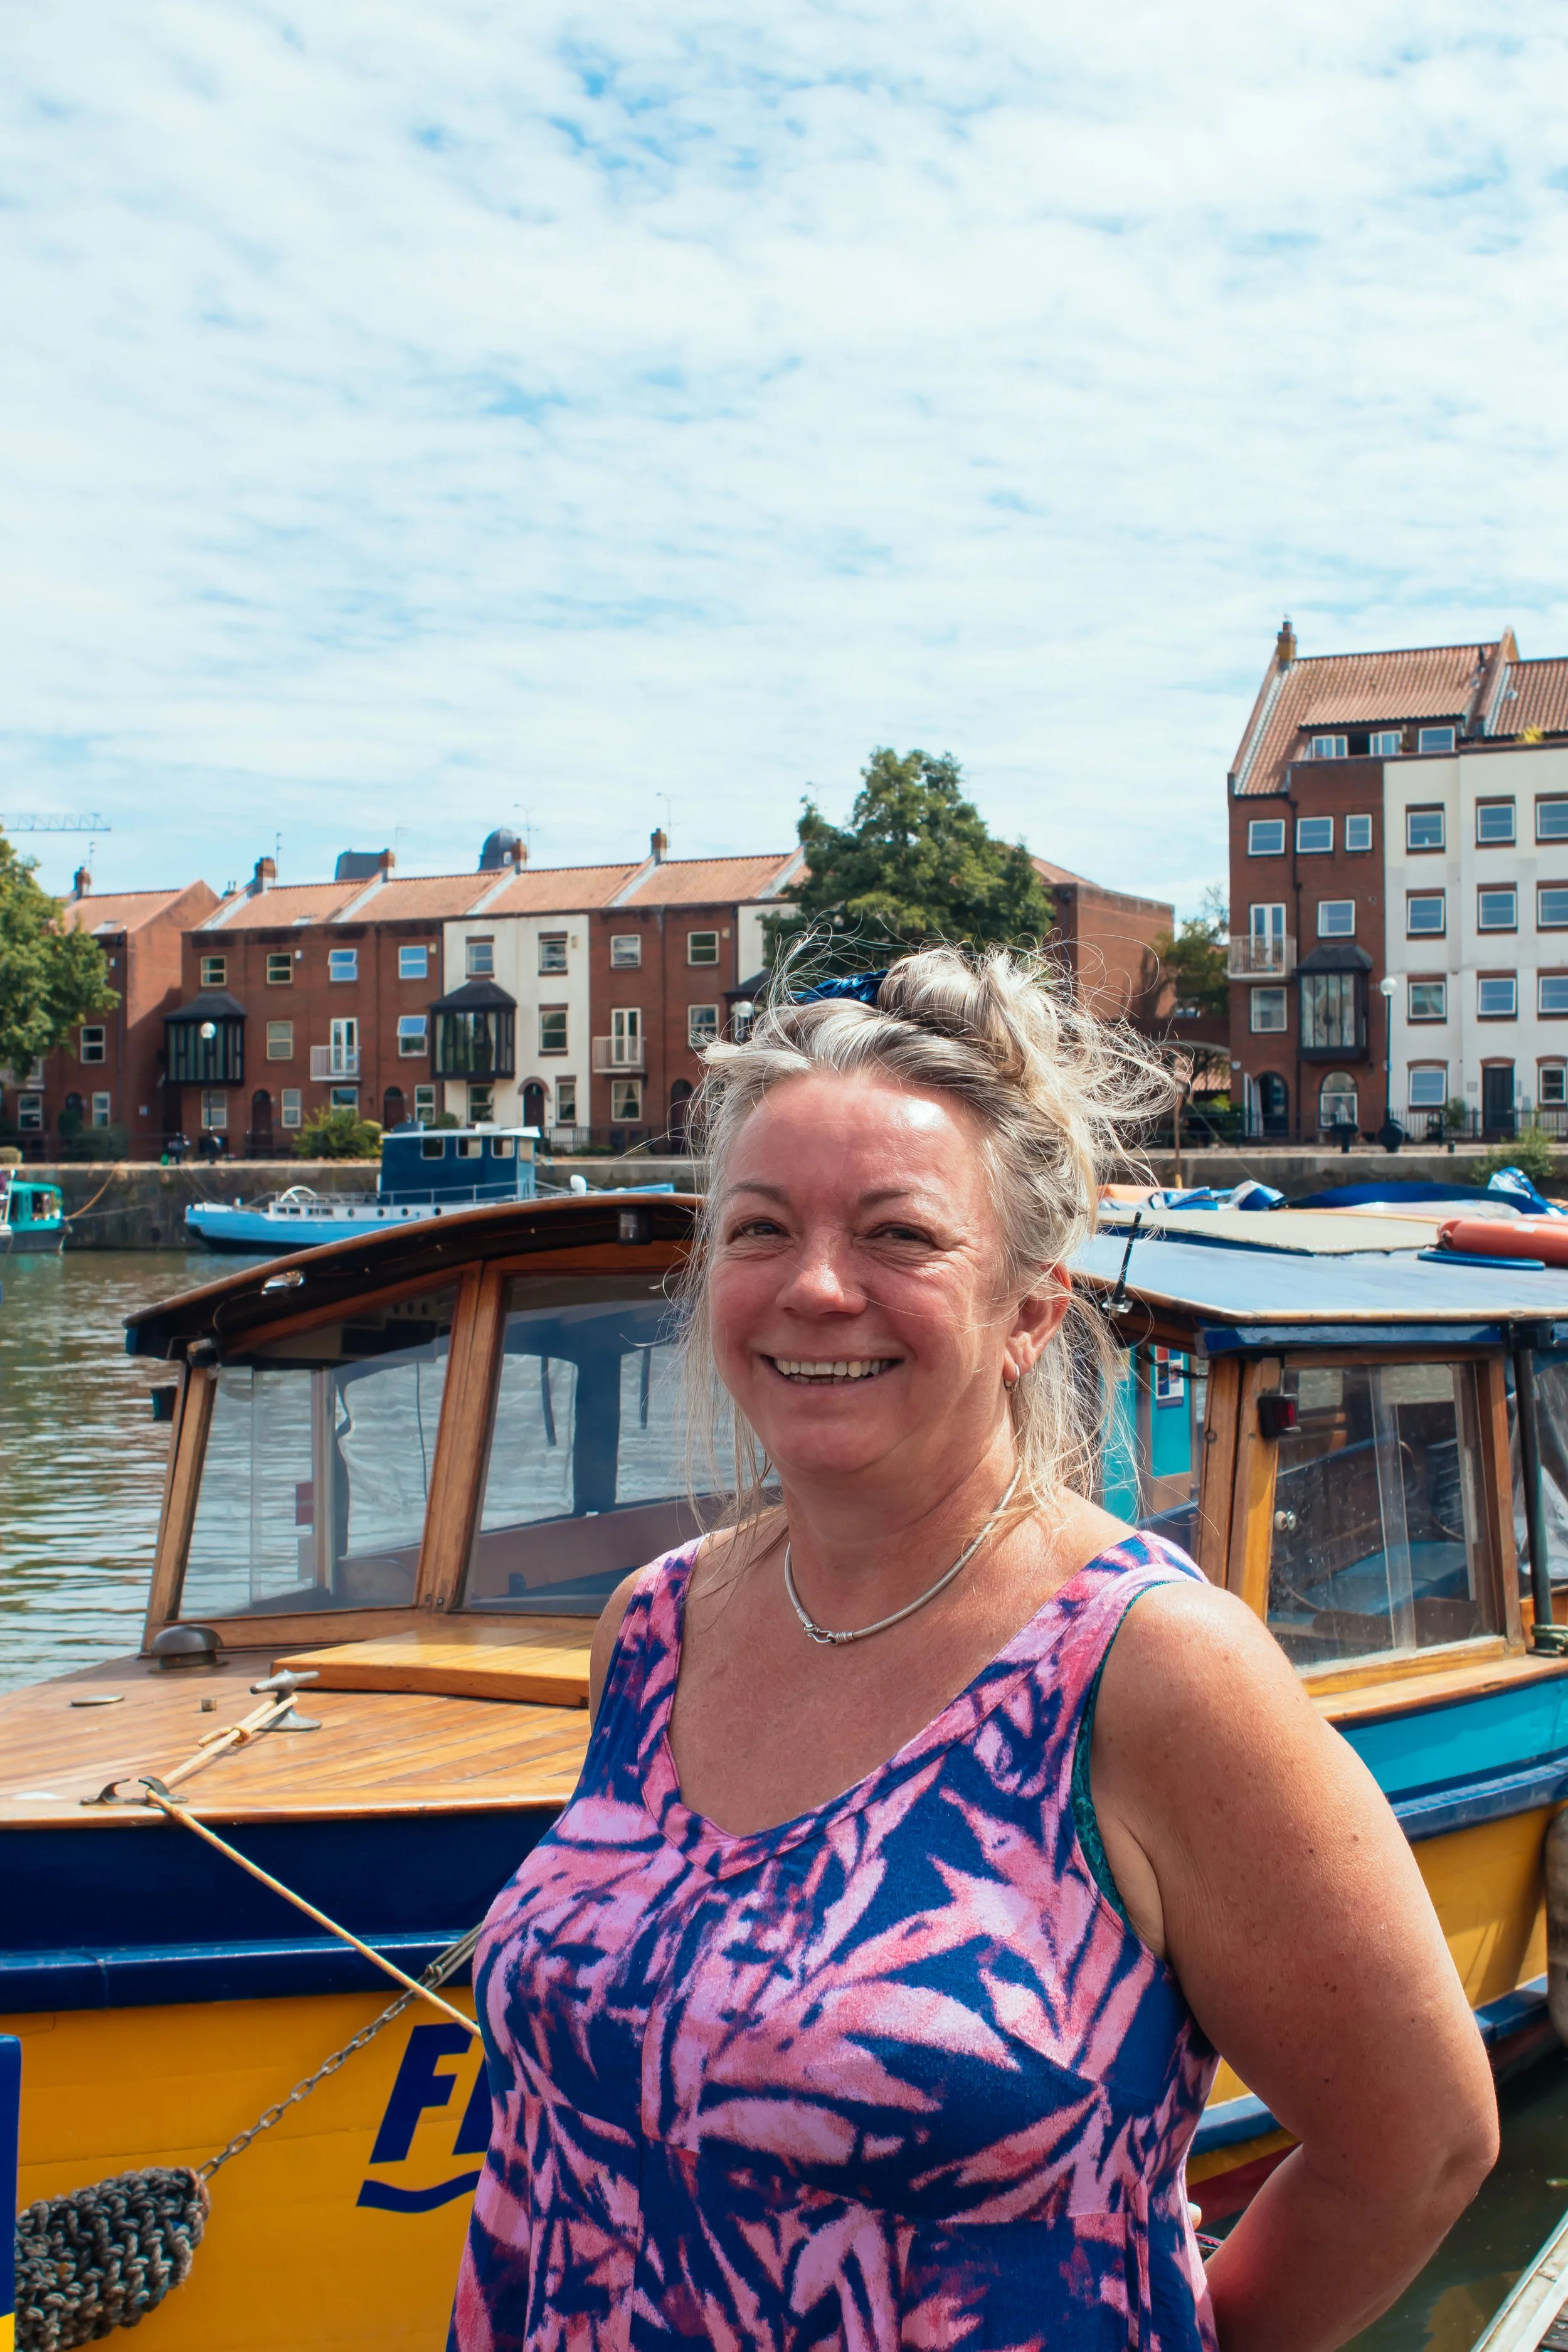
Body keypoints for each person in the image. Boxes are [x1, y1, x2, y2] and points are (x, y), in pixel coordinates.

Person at [451, 946, 1496, 2352]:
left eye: (897, 1235)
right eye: (759, 1230)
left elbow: (1416, 2150)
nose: (815, 1288)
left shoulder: (1147, 1666)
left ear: (1029, 1309)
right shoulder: (652, 1628)